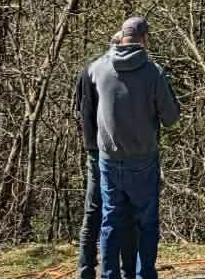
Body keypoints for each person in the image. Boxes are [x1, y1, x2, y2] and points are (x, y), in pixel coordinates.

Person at [78, 15, 180, 279]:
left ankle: (108, 275)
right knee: (145, 223)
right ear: (144, 39)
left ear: (121, 37)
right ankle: (143, 274)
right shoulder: (153, 72)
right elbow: (171, 118)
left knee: (110, 221)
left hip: (109, 160)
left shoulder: (98, 68)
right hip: (143, 159)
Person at [75, 52, 138, 279]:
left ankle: (86, 270)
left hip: (93, 146)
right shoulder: (111, 72)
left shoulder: (89, 70)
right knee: (124, 211)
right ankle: (127, 271)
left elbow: (80, 110)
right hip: (109, 151)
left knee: (93, 211)